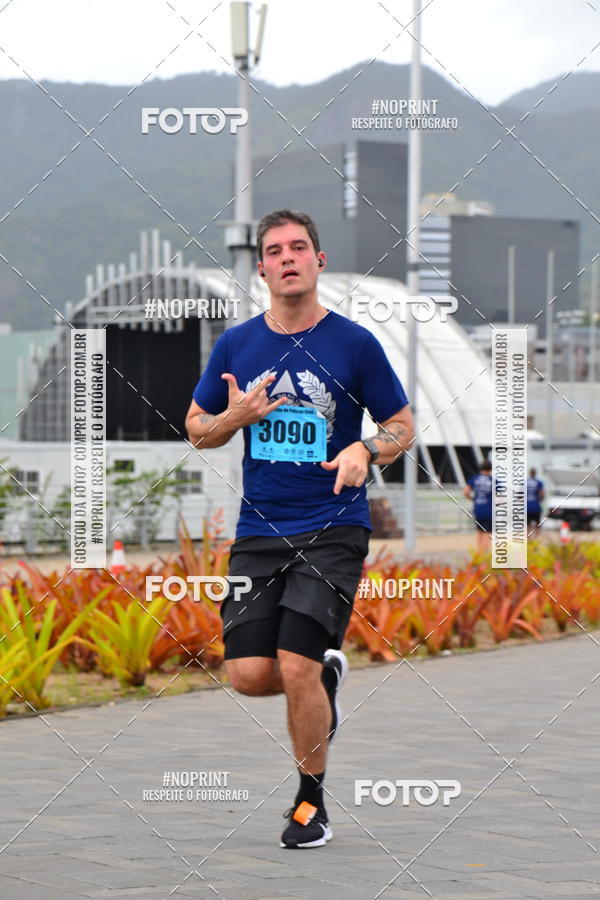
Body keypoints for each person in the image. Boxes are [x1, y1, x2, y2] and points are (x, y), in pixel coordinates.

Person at [185, 209, 414, 849]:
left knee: (295, 663)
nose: (287, 257)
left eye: (299, 247)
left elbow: (402, 425)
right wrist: (234, 418)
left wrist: (366, 449)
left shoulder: (355, 344)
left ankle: (311, 805)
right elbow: (197, 429)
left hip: (333, 525)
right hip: (259, 530)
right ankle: (325, 680)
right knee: (249, 674)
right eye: (275, 250)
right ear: (261, 267)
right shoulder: (236, 345)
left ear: (319, 260)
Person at [463, 459, 493, 552]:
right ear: (490, 469)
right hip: (489, 510)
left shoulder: (475, 478)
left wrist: (473, 499)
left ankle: (478, 553)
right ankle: (484, 554)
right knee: (487, 532)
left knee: (480, 532)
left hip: (478, 509)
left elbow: (466, 492)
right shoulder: (492, 480)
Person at [526, 467, 545, 534]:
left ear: (529, 473)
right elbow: (542, 495)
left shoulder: (525, 482)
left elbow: (519, 495)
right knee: (538, 525)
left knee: (528, 525)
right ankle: (537, 537)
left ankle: (528, 538)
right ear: (535, 473)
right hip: (536, 506)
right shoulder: (539, 482)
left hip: (527, 507)